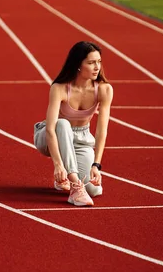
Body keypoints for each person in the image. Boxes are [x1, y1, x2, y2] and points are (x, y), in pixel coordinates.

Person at [33, 41, 114, 206]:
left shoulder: (104, 90)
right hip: (50, 136)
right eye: (91, 63)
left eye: (99, 62)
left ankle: (69, 179)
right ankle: (75, 188)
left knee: (94, 190)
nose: (96, 67)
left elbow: (101, 131)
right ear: (78, 64)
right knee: (62, 124)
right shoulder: (60, 88)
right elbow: (50, 128)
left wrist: (96, 165)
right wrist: (58, 165)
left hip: (81, 139)